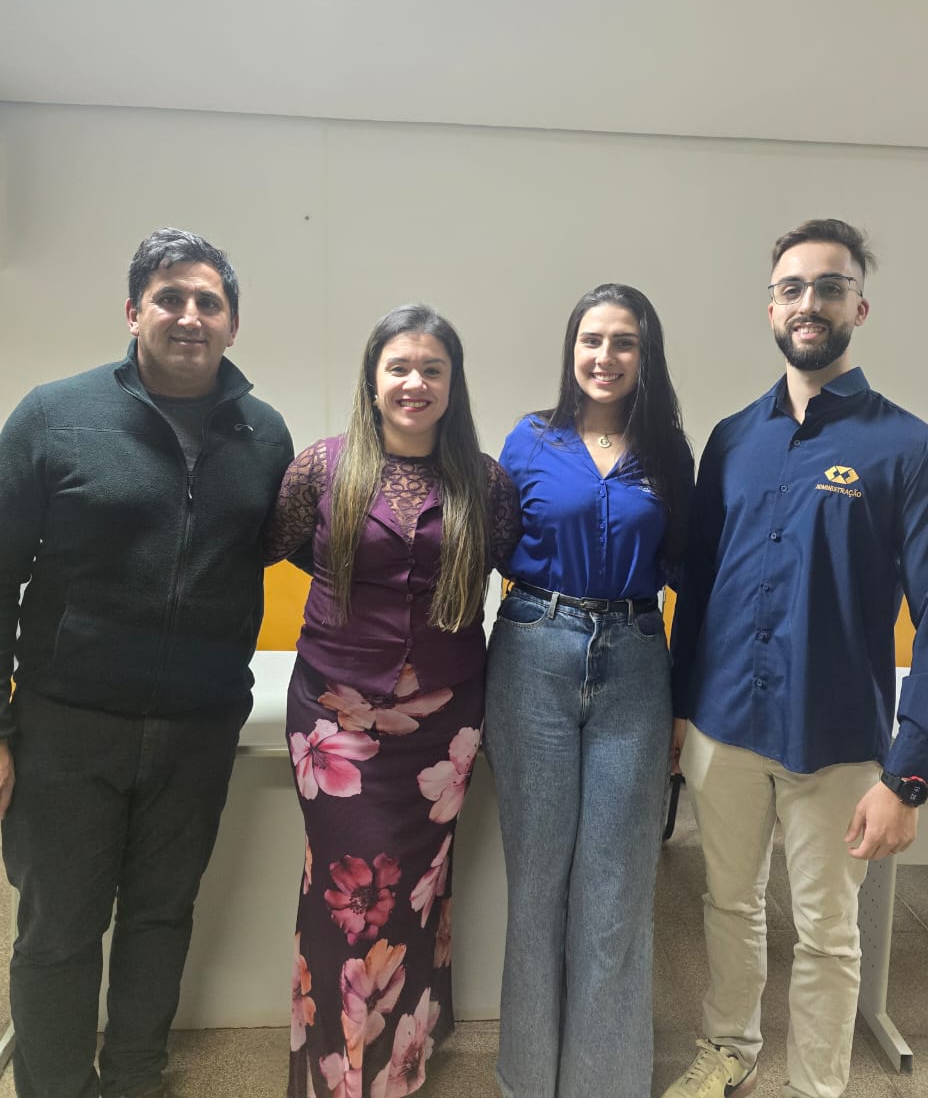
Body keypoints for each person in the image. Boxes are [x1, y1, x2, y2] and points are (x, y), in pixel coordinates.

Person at [663, 219, 928, 1098]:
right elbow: (700, 587)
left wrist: (910, 775)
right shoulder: (731, 439)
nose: (809, 302)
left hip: (837, 742)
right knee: (728, 904)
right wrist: (680, 708)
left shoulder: (913, 450)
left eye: (831, 287)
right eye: (792, 288)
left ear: (858, 308)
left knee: (829, 934)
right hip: (723, 728)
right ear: (771, 307)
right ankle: (729, 1047)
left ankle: (817, 1085)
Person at [0, 228, 294, 1098]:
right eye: (170, 298)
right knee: (59, 929)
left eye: (209, 301)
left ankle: (134, 1079)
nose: (189, 315)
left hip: (196, 732)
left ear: (233, 323)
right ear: (134, 312)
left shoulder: (264, 436)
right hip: (66, 727)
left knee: (162, 918)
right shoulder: (52, 416)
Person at [264, 303, 519, 1098]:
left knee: (418, 888)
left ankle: (403, 1058)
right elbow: (277, 549)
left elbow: (508, 568)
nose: (415, 382)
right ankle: (339, 1075)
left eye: (432, 369)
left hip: (443, 724)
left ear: (453, 382)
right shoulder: (320, 467)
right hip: (333, 718)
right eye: (399, 367)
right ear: (373, 380)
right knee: (347, 892)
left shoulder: (486, 482)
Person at [483, 282, 694, 1098]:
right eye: (591, 340)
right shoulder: (529, 440)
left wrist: (686, 703)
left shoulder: (670, 454)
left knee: (616, 887)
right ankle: (529, 1081)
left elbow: (690, 579)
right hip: (533, 650)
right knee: (537, 883)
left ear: (647, 355)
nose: (605, 357)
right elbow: (481, 549)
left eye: (624, 342)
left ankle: (604, 1083)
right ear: (572, 350)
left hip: (636, 663)